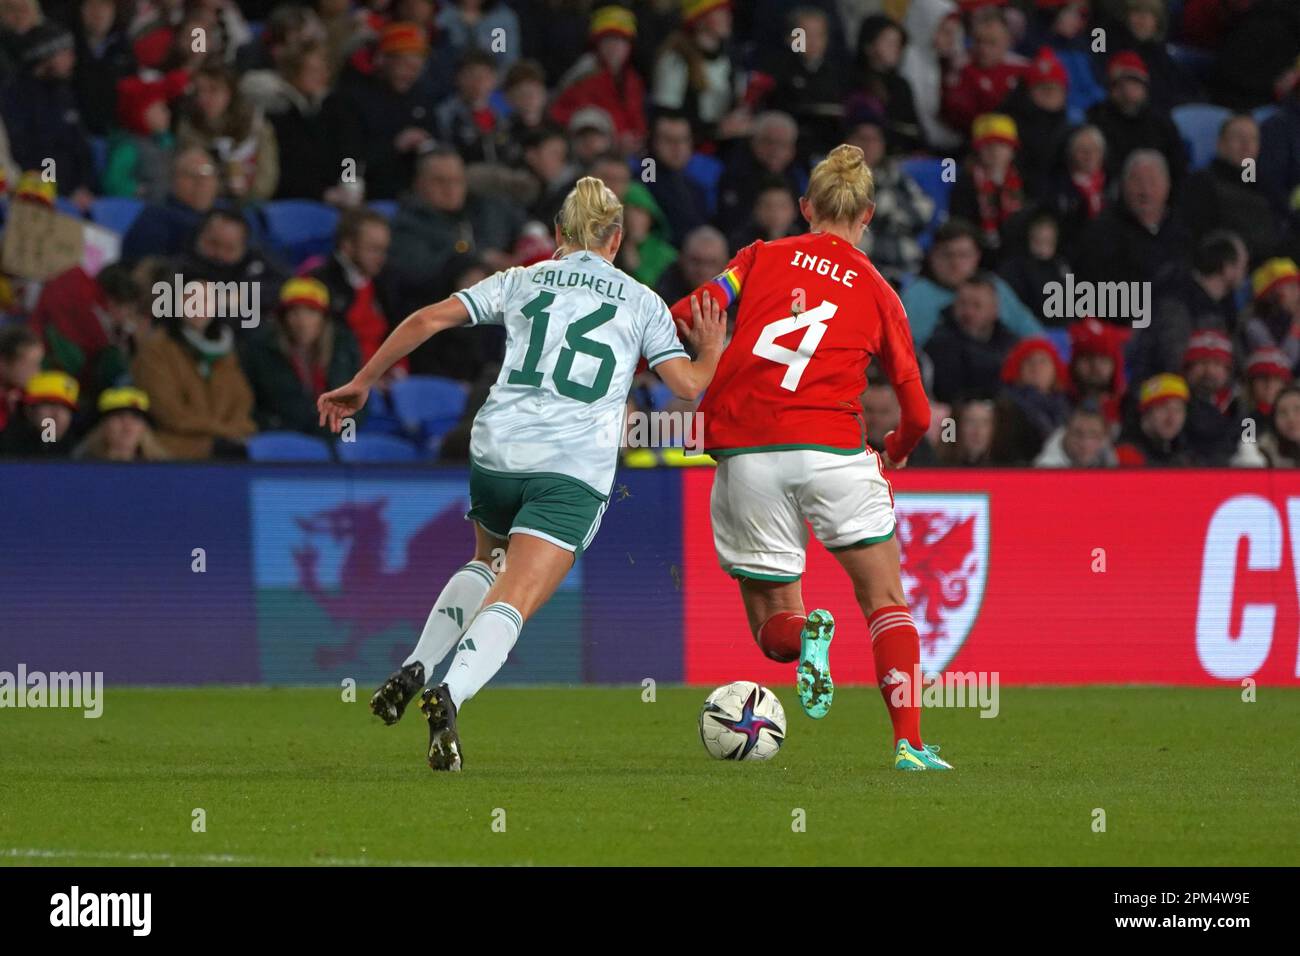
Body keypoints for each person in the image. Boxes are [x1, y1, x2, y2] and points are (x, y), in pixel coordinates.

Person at [317, 177, 726, 771]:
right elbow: (687, 386)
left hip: (496, 450)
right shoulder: (642, 301)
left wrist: (363, 380)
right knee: (517, 595)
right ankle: (449, 694)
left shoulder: (522, 278)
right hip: (570, 466)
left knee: (488, 562)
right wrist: (711, 347)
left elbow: (428, 319)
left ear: (559, 234)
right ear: (616, 239)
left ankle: (418, 663)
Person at [666, 143, 953, 771]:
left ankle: (808, 634)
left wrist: (642, 361)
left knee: (773, 635)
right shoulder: (881, 292)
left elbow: (686, 315)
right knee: (886, 600)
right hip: (834, 454)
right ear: (869, 215)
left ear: (805, 207)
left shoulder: (758, 258)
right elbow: (919, 414)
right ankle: (908, 743)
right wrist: (894, 453)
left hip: (748, 457)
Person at [72, 386, 171, 461]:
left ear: (144, 428)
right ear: (102, 425)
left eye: (136, 418)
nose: (127, 426)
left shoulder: (161, 470)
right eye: (119, 416)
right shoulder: (78, 464)